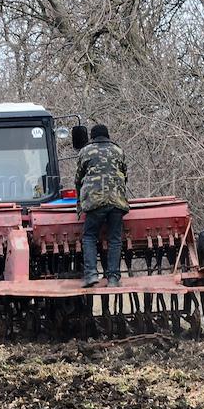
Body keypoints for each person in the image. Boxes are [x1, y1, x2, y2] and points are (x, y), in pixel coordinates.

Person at [75, 123, 129, 287]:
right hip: (116, 202)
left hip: (95, 201)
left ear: (92, 137)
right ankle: (113, 278)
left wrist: (79, 202)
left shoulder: (86, 151)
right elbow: (125, 176)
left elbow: (78, 179)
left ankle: (91, 275)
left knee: (90, 237)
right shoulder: (118, 151)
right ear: (107, 136)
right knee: (115, 239)